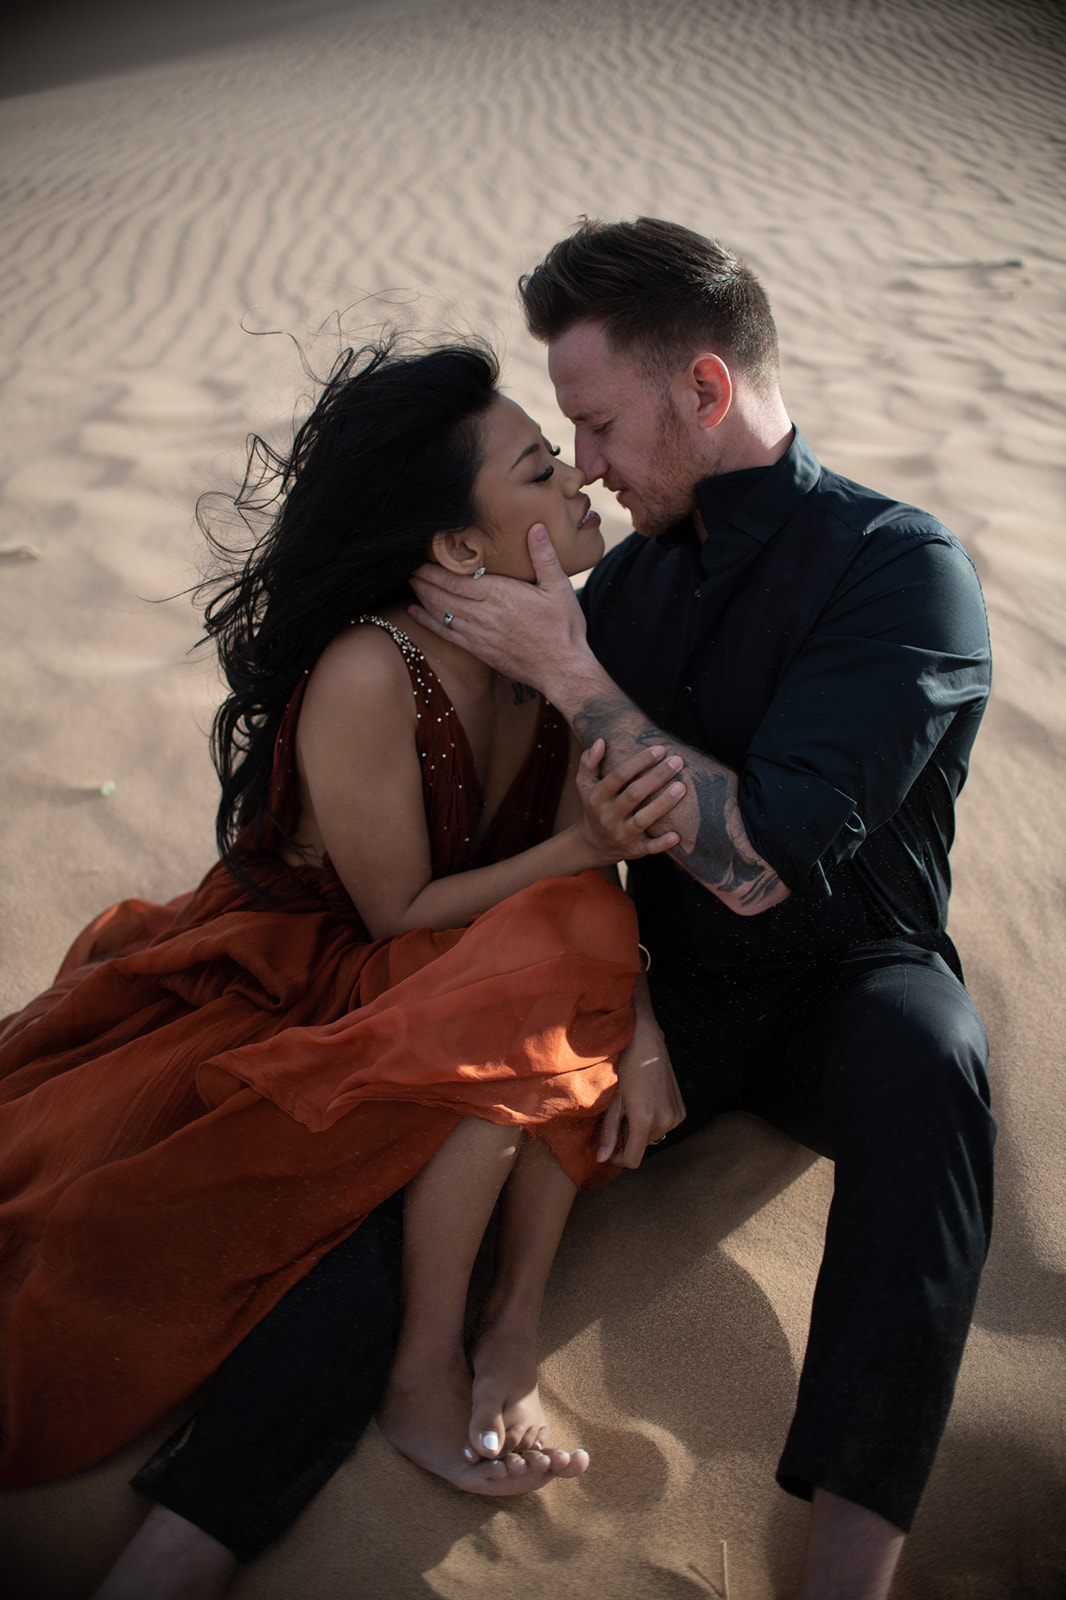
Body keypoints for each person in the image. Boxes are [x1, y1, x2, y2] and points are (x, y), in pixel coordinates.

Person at [0, 337, 688, 1598]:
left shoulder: (562, 639)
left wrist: (636, 1017)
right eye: (539, 470)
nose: (575, 483)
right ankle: (430, 1367)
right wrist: (585, 859)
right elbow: (399, 914)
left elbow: (595, 879)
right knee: (558, 941)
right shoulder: (375, 667)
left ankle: (505, 1332)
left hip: (488, 957)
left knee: (571, 942)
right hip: (307, 970)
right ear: (452, 551)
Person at [409, 218, 996, 1600]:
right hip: (659, 998)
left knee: (937, 1064)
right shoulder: (621, 590)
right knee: (428, 1126)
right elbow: (583, 844)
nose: (590, 468)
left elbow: (756, 858)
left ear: (706, 391)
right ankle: (206, 1519)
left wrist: (571, 673)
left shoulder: (900, 572)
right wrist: (648, 1006)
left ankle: (846, 1570)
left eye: (599, 426)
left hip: (849, 982)